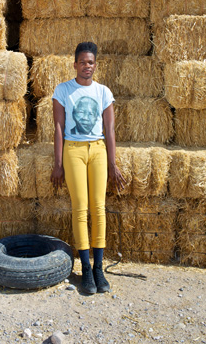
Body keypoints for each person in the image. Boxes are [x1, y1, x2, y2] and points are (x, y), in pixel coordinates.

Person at [51, 42, 126, 295]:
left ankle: (99, 268)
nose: (87, 66)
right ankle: (84, 267)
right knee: (80, 208)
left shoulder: (104, 92)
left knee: (99, 208)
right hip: (73, 150)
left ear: (96, 65)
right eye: (82, 62)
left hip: (98, 151)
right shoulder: (63, 90)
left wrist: (113, 164)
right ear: (75, 64)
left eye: (91, 62)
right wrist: (58, 163)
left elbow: (110, 130)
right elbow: (59, 127)